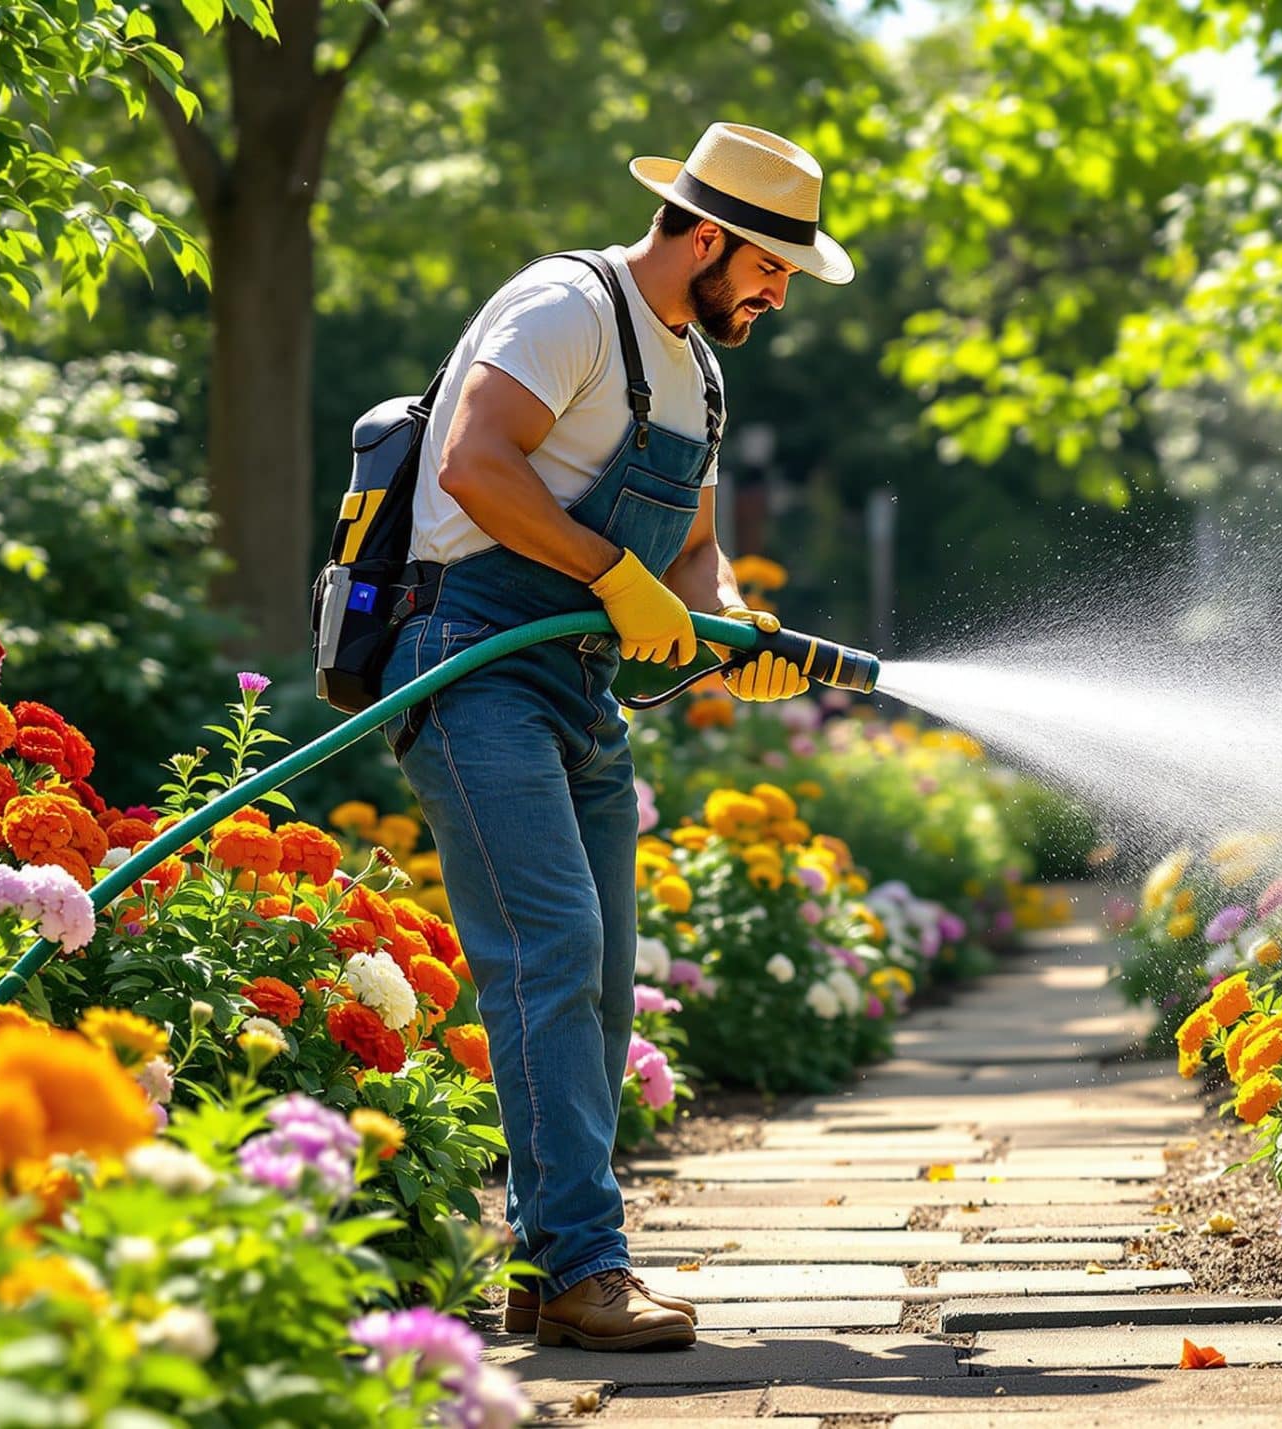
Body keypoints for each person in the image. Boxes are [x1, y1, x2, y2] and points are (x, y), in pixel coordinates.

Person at [383, 122, 851, 1351]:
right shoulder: (563, 306)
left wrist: (735, 628)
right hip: (470, 663)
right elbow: (479, 466)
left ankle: (546, 1270)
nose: (775, 291)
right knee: (550, 946)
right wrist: (613, 575)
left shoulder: (697, 370)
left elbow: (692, 554)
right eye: (768, 265)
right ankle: (590, 1264)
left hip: (580, 684)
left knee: (595, 982)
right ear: (707, 234)